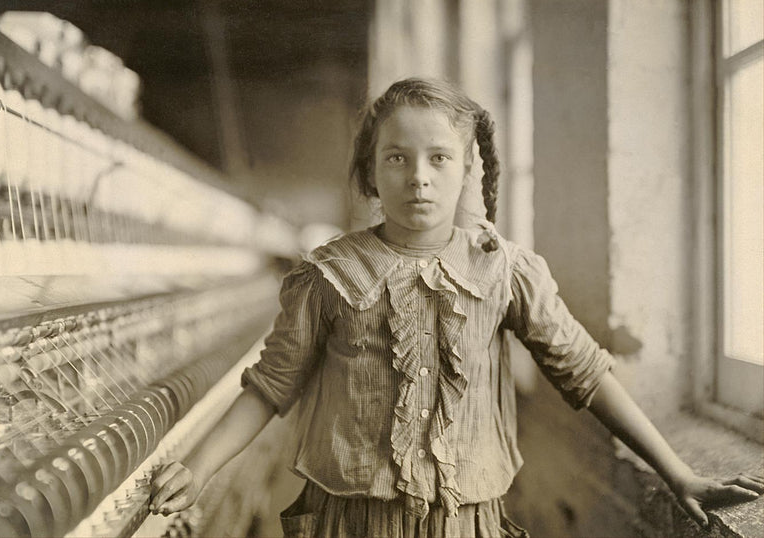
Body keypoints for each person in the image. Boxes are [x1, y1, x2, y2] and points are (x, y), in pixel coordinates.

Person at [149, 77, 763, 537]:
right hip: (349, 521)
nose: (419, 177)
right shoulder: (327, 276)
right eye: (397, 157)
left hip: (465, 522)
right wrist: (197, 470)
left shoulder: (506, 271)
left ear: (468, 169)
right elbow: (269, 386)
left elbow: (587, 372)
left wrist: (678, 471)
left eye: (439, 158)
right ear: (369, 171)